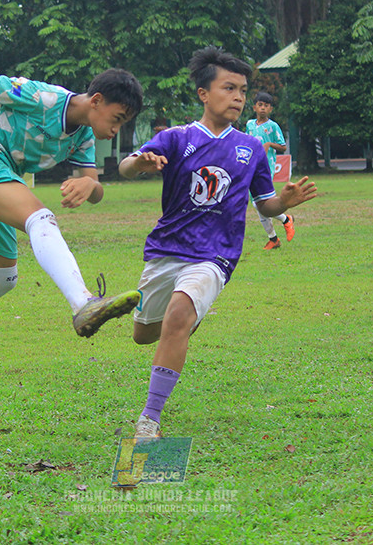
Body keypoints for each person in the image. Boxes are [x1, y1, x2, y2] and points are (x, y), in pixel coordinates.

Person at [119, 46, 318, 438]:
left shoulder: (251, 149)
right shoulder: (176, 138)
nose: (240, 98)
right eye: (229, 88)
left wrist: (284, 203)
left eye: (243, 90)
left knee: (178, 315)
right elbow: (127, 166)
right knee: (143, 334)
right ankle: (187, 319)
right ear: (204, 94)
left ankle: (149, 419)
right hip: (166, 249)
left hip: (215, 255)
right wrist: (139, 163)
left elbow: (266, 202)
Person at [0, 69, 145, 383]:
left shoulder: (83, 136)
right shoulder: (42, 98)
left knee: (3, 278)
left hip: (0, 174)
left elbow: (95, 190)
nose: (116, 129)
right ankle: (83, 303)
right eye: (116, 118)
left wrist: (90, 187)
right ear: (96, 101)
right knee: (41, 218)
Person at [245, 91, 295, 250]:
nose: (263, 108)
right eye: (260, 105)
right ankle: (277, 232)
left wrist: (269, 145)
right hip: (252, 167)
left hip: (266, 168)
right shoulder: (250, 124)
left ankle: (279, 229)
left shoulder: (273, 126)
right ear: (254, 107)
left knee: (260, 203)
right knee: (257, 204)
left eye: (266, 106)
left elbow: (283, 146)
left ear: (271, 109)